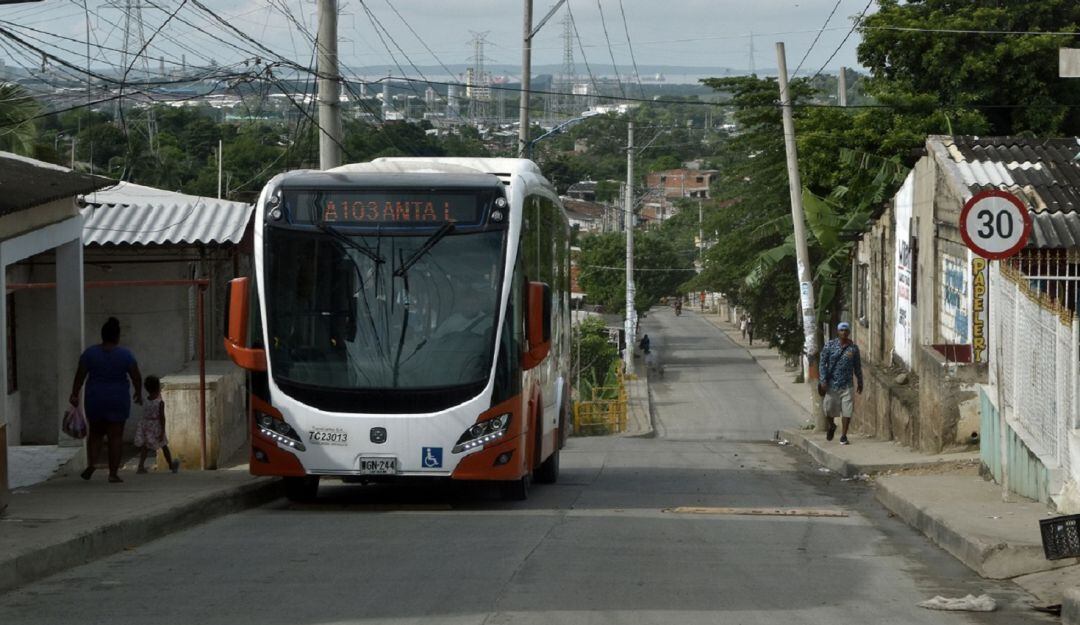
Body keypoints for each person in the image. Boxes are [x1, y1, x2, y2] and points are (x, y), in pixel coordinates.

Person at [70, 317, 142, 483]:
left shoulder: (89, 354)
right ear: (117, 336)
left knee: (95, 434)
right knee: (115, 437)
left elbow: (79, 376)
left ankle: (93, 463)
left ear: (102, 335)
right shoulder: (126, 355)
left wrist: (74, 394)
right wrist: (138, 392)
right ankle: (113, 473)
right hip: (118, 399)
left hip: (95, 399)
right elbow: (136, 376)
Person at [818, 321, 864, 445]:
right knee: (828, 410)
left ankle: (843, 436)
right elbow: (822, 363)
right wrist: (823, 380)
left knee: (847, 411)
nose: (843, 332)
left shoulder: (853, 348)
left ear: (848, 332)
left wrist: (860, 381)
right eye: (841, 330)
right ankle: (832, 426)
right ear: (838, 332)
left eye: (846, 330)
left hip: (847, 385)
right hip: (832, 384)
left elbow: (857, 366)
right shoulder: (829, 345)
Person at [134, 376, 179, 474]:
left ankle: (140, 466)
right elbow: (162, 417)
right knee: (164, 445)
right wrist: (162, 430)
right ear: (158, 387)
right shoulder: (160, 402)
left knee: (145, 446)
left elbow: (140, 403)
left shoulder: (145, 400)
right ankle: (171, 465)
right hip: (156, 425)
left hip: (146, 425)